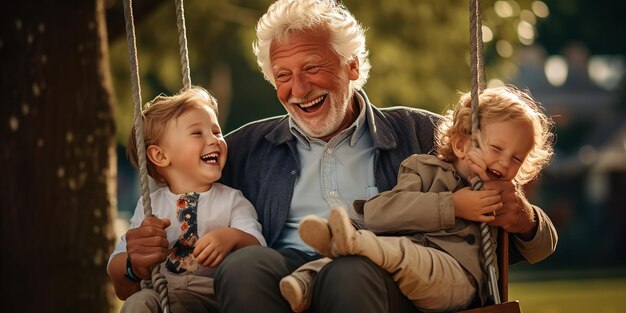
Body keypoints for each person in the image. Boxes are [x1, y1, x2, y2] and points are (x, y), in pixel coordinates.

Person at [215, 1, 557, 312]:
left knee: (349, 271)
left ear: (351, 67)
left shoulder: (426, 136)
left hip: (388, 279)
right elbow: (179, 193)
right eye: (283, 76)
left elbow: (530, 245)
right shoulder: (246, 149)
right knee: (244, 266)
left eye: (312, 68)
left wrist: (525, 219)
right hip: (287, 276)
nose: (299, 89)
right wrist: (161, 234)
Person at [281, 85, 556, 312]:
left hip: (458, 279)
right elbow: (379, 213)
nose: (505, 162)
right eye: (497, 148)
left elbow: (544, 245)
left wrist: (526, 218)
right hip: (404, 268)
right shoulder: (422, 169)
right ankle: (304, 282)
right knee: (386, 250)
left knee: (391, 250)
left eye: (517, 158)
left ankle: (348, 242)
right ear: (461, 144)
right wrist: (452, 206)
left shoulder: (500, 195)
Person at [107, 87, 266, 313]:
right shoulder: (150, 205)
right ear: (160, 155)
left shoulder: (231, 200)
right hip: (163, 297)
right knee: (138, 302)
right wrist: (135, 263)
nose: (214, 140)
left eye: (216, 132)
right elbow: (116, 270)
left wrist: (231, 237)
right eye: (197, 133)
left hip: (214, 300)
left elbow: (258, 250)